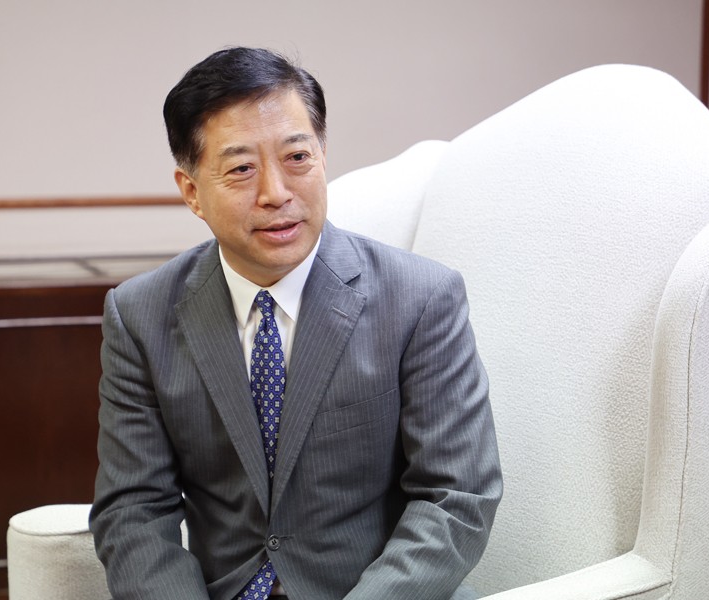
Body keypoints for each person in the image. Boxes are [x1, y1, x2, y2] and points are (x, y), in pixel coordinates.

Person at [89, 47, 502, 600]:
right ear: (192, 192)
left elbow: (456, 498)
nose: (276, 193)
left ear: (323, 157)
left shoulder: (421, 299)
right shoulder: (140, 316)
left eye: (297, 158)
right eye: (241, 169)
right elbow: (134, 509)